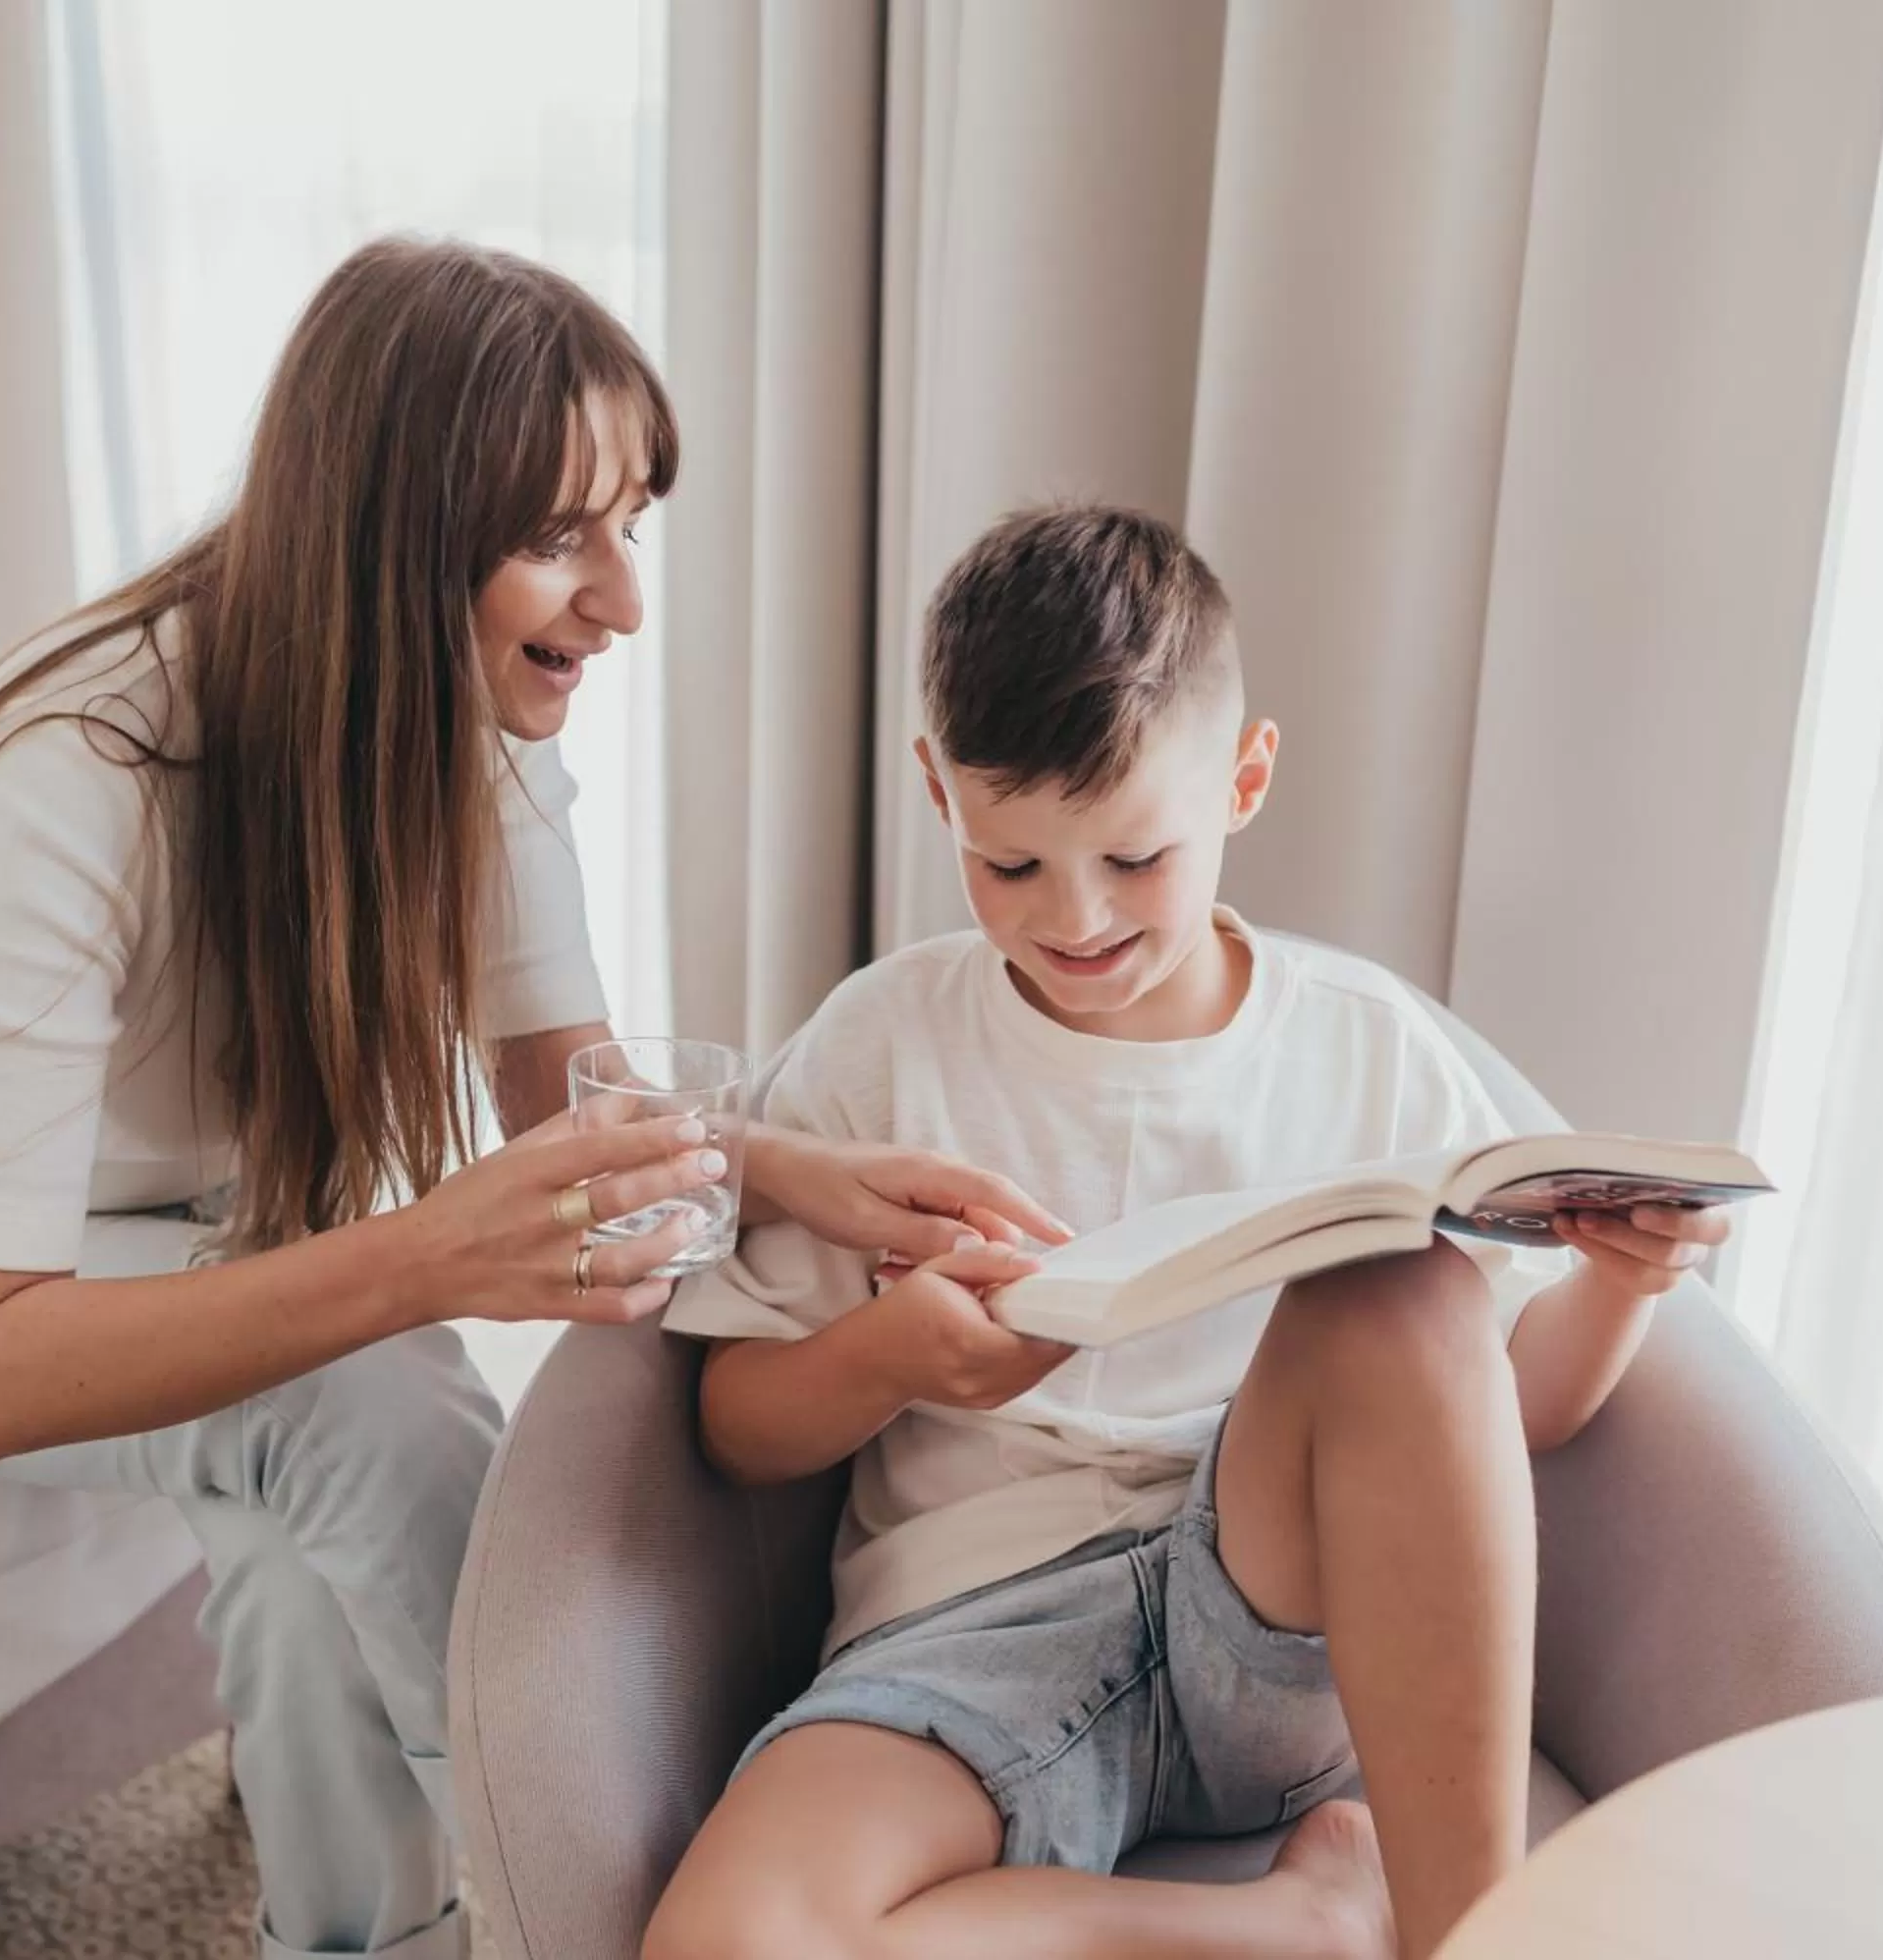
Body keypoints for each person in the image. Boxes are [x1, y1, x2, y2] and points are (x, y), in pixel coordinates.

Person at [0, 240, 1059, 1960]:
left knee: (306, 1547)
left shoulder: (466, 715)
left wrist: (801, 1171)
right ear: (389, 541)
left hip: (191, 1239)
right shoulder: (73, 774)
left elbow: (557, 1096)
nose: (624, 601)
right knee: (369, 1396)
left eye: (627, 525)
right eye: (558, 539)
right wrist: (422, 1263)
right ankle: (601, 1890)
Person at [641, 505, 1733, 1960]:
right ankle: (1302, 1925)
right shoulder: (880, 1040)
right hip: (970, 1634)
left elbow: (1497, 1412)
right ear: (937, 791)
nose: (1075, 920)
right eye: (1010, 866)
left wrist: (1622, 1280)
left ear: (1244, 779)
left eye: (1136, 859)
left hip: (1269, 1611)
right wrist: (895, 1353)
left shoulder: (1368, 1047)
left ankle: (1472, 1938)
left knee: (1400, 1296)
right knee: (720, 1944)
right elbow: (732, 1431)